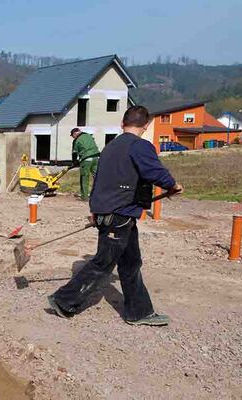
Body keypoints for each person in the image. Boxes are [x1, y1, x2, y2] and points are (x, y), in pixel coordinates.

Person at [48, 106, 183, 326]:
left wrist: (94, 209)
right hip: (118, 215)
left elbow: (99, 181)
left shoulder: (110, 147)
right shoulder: (140, 146)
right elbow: (154, 171)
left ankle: (138, 312)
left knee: (131, 263)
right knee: (103, 263)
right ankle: (63, 300)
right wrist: (173, 185)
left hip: (120, 214)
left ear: (122, 123)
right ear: (146, 126)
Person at [70, 128, 100, 200]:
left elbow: (74, 153)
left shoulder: (76, 140)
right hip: (97, 157)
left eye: (72, 136)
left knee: (84, 177)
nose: (73, 137)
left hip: (86, 159)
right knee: (97, 177)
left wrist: (74, 162)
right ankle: (98, 195)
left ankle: (84, 196)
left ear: (74, 134)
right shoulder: (89, 136)